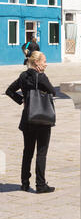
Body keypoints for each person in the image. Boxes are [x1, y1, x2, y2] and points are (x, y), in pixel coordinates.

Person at [6, 51, 56, 193]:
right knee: (41, 152)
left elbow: (9, 90)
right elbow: (53, 91)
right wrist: (42, 77)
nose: (46, 64)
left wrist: (22, 100)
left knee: (27, 152)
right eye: (44, 61)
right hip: (42, 119)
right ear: (37, 63)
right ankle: (40, 185)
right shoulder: (41, 77)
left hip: (28, 118)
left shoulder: (23, 76)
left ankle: (24, 183)